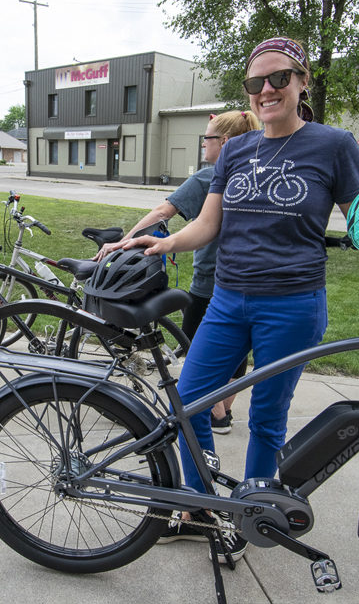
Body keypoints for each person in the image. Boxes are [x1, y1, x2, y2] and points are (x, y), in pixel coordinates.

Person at [124, 36, 359, 560]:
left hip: (293, 303)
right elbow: (209, 224)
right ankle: (200, 503)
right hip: (228, 299)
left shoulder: (333, 144)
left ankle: (255, 511)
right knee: (188, 403)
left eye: (279, 78)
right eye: (256, 83)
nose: (266, 90)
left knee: (267, 417)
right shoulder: (235, 149)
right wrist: (164, 240)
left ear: (303, 82)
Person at [98, 110, 262, 433]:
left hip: (209, 284)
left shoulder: (210, 176)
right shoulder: (252, 173)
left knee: (196, 349)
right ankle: (224, 410)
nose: (204, 144)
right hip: (249, 284)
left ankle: (215, 413)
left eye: (207, 138)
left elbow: (163, 211)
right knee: (238, 351)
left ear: (225, 142)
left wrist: (124, 240)